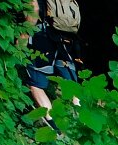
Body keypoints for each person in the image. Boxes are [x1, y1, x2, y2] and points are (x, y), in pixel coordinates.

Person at [22, 0, 82, 131]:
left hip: (43, 38)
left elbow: (35, 8)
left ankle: (55, 128)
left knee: (36, 84)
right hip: (67, 39)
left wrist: (22, 39)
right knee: (72, 85)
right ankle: (82, 124)